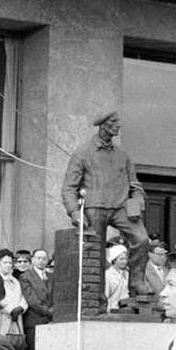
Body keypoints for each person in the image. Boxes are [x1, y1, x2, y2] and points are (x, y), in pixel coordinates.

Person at [61, 112, 151, 301]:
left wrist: (138, 201)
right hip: (95, 207)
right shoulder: (83, 152)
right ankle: (97, 296)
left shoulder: (122, 156)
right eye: (113, 122)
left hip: (120, 208)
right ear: (102, 126)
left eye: (118, 122)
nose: (118, 126)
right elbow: (69, 187)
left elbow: (135, 186)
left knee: (142, 239)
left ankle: (136, 281)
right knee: (96, 252)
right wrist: (75, 212)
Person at [19, 249, 52, 350]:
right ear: (32, 260)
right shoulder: (26, 276)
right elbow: (31, 299)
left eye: (44, 258)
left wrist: (53, 311)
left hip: (50, 320)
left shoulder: (52, 276)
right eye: (38, 258)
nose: (41, 261)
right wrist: (48, 311)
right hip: (34, 320)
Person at [0, 251, 24, 343]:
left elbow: (22, 297)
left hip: (16, 318)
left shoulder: (16, 281)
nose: (8, 265)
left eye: (10, 263)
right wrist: (10, 310)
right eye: (5, 262)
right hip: (1, 317)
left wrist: (21, 307)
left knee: (16, 345)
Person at [104, 243, 131, 312]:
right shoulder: (108, 275)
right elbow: (106, 295)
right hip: (112, 310)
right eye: (121, 259)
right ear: (114, 260)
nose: (124, 262)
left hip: (126, 310)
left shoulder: (128, 274)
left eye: (125, 259)